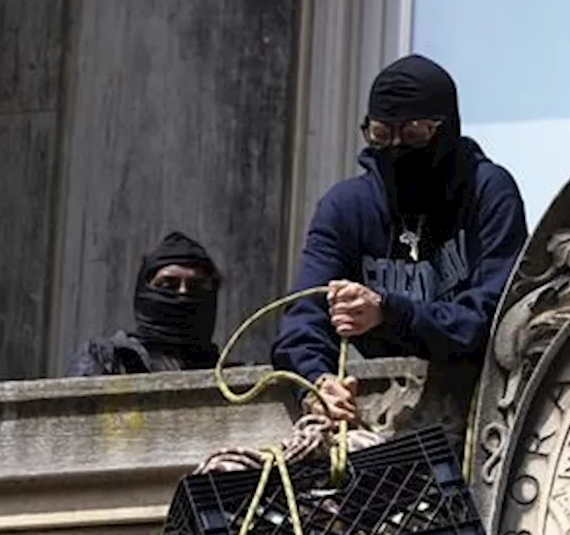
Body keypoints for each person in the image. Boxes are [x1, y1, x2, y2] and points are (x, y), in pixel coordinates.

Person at [270, 54, 528, 424]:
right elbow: (302, 318)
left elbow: (495, 317)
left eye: (414, 135)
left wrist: (390, 312)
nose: (395, 148)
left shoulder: (487, 191)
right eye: (380, 135)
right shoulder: (345, 207)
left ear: (445, 129)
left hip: (481, 414)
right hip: (381, 418)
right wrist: (316, 382)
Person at [66, 231, 223, 377]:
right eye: (168, 286)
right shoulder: (107, 359)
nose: (182, 293)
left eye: (195, 287)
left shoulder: (227, 378)